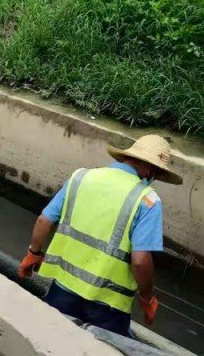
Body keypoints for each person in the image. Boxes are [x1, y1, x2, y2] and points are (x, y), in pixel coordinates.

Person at [18, 134, 182, 335]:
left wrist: (33, 253)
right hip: (108, 307)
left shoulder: (81, 177)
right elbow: (140, 261)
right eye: (156, 175)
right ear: (150, 169)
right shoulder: (147, 200)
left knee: (50, 338)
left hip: (63, 290)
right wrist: (147, 297)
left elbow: (44, 220)